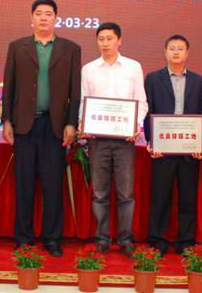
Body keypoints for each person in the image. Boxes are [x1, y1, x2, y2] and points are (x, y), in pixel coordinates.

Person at [2, 0, 81, 257]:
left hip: (55, 126)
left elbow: (75, 92)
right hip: (25, 125)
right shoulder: (17, 47)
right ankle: (24, 238)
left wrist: (71, 123)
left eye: (48, 13)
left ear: (56, 18)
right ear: (32, 18)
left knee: (52, 185)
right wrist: (7, 120)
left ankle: (52, 238)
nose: (44, 17)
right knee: (24, 185)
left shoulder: (71, 49)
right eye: (39, 13)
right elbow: (9, 86)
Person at [80, 22, 148, 257]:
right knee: (99, 193)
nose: (105, 43)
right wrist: (83, 124)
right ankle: (102, 239)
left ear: (119, 40)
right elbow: (84, 101)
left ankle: (126, 239)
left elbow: (141, 101)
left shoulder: (133, 67)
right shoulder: (89, 69)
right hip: (97, 139)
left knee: (125, 193)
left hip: (124, 140)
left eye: (109, 39)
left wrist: (136, 124)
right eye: (101, 39)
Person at [144, 35, 202, 256]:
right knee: (160, 197)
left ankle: (186, 242)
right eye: (172, 48)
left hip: (190, 149)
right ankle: (157, 240)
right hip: (162, 149)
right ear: (165, 51)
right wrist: (151, 142)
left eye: (180, 48)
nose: (176, 52)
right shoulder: (153, 79)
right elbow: (149, 112)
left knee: (188, 198)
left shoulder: (199, 81)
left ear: (187, 53)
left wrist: (201, 144)